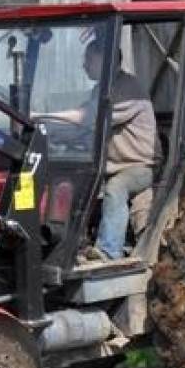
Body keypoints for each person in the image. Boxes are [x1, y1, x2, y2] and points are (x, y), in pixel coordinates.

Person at [40, 39, 159, 260]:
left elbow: (86, 118)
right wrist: (50, 135)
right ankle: (67, 247)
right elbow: (82, 129)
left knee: (116, 187)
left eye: (88, 59)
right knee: (69, 181)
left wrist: (38, 117)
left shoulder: (127, 89)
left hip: (139, 167)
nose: (83, 65)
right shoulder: (101, 89)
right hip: (110, 166)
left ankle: (109, 251)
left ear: (106, 61)